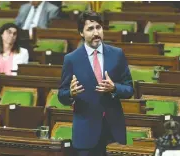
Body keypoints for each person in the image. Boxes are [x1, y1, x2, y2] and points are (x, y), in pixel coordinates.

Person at [57, 11, 134, 156]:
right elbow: (62, 95)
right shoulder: (71, 59)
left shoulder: (117, 54)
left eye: (98, 27)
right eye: (90, 29)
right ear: (81, 32)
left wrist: (114, 88)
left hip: (113, 131)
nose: (96, 33)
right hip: (86, 134)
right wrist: (71, 94)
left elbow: (129, 89)